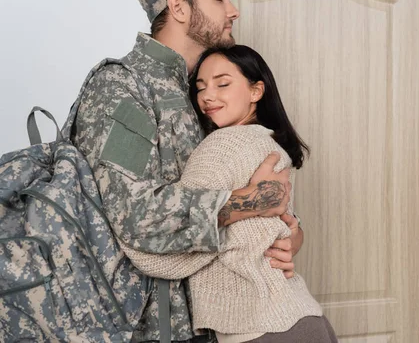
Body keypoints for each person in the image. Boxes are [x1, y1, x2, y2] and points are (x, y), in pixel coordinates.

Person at [72, 0, 302, 343]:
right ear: (178, 6)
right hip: (145, 326)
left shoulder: (205, 91)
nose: (233, 11)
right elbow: (134, 214)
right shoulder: (124, 89)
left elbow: (252, 185)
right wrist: (249, 201)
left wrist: (289, 233)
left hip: (216, 320)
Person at [122, 45, 338, 343]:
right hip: (304, 318)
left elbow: (172, 253)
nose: (207, 96)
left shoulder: (221, 147)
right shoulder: (270, 145)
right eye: (200, 87)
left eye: (223, 84)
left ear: (256, 91)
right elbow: (280, 229)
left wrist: (122, 229)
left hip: (262, 331)